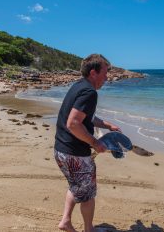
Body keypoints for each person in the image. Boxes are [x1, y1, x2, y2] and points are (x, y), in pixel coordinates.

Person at [54, 54, 121, 232]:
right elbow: (74, 123)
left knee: (76, 186)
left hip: (61, 150)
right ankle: (89, 229)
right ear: (93, 72)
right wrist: (95, 143)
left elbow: (86, 116)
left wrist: (107, 125)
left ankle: (65, 221)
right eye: (105, 73)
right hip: (75, 154)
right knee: (88, 194)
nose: (107, 78)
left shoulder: (78, 86)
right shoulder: (89, 92)